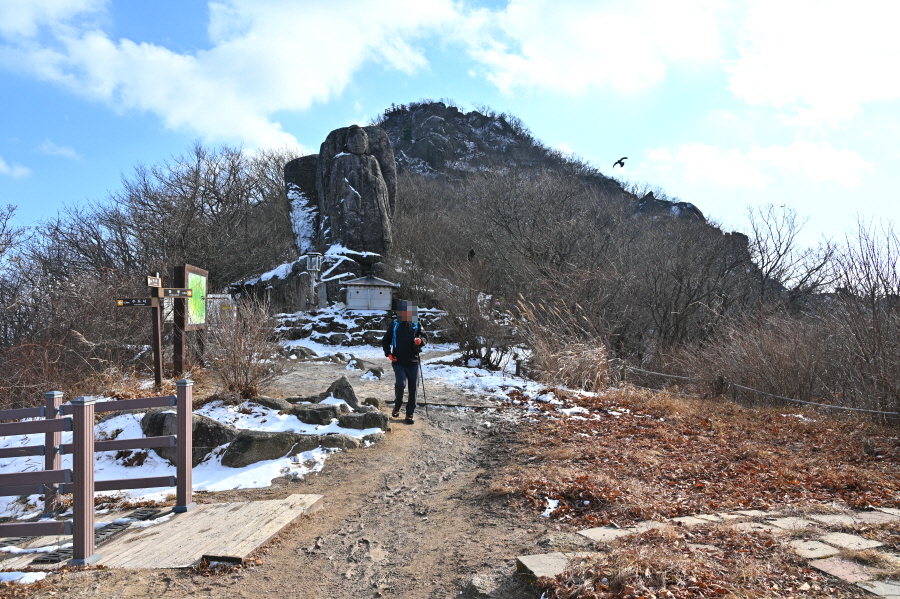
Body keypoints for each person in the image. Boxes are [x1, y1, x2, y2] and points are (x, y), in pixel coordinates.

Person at [382, 300, 427, 424]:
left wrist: (420, 341)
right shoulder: (395, 324)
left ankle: (410, 413)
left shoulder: (416, 323)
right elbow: (385, 340)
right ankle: (397, 404)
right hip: (398, 362)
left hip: (413, 361)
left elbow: (425, 337)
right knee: (400, 385)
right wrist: (388, 354)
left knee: (413, 388)